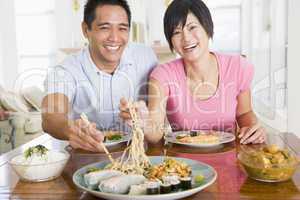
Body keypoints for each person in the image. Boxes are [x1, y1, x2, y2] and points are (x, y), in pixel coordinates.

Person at [120, 0, 266, 145]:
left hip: (227, 155)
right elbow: (156, 133)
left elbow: (244, 113)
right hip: (183, 163)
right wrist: (144, 122)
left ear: (207, 28)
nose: (186, 38)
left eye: (192, 27)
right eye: (176, 32)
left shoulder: (237, 67)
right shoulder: (162, 75)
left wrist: (253, 129)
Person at [42, 0, 158, 152]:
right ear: (85, 30)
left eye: (122, 29)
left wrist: (146, 118)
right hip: (88, 157)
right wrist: (70, 129)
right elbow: (51, 117)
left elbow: (159, 117)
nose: (114, 38)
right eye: (104, 28)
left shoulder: (146, 57)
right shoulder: (65, 70)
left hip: (138, 154)